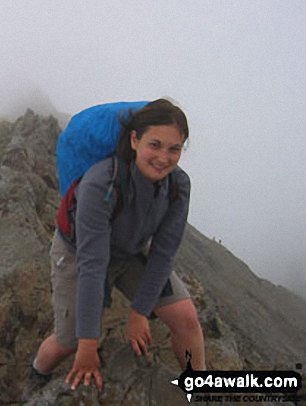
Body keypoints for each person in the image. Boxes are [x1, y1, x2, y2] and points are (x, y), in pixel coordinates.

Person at [28, 99, 205, 394]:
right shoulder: (102, 183)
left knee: (186, 318)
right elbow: (92, 265)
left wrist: (139, 312)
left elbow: (163, 253)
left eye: (174, 149)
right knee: (68, 341)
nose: (164, 157)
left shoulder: (177, 186)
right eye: (155, 144)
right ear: (135, 140)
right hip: (77, 254)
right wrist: (87, 347)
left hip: (128, 252)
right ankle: (36, 374)